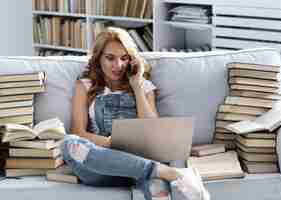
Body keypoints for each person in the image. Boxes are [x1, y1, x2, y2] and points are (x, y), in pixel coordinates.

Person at [61, 27, 210, 200]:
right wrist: (110, 143)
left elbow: (153, 129)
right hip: (101, 165)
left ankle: (157, 171)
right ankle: (170, 173)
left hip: (137, 162)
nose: (118, 66)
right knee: (69, 143)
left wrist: (137, 86)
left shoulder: (144, 86)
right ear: (98, 58)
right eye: (110, 58)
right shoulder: (85, 85)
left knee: (158, 190)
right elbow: (78, 132)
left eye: (124, 58)